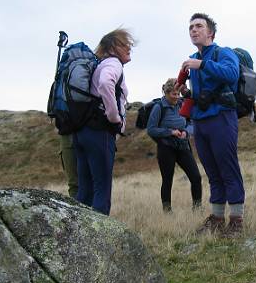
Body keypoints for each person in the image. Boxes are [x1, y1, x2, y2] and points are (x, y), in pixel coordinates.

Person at [178, 13, 245, 236]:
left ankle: (236, 219)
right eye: (190, 28)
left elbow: (232, 74)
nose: (193, 30)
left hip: (222, 117)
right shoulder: (192, 58)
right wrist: (187, 92)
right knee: (211, 170)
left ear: (210, 33)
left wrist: (202, 64)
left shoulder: (222, 53)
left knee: (228, 167)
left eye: (199, 26)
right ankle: (217, 217)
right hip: (201, 121)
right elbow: (201, 94)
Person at [73, 27, 135, 215]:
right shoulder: (113, 64)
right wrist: (114, 117)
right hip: (100, 133)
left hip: (82, 131)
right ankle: (100, 242)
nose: (129, 48)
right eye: (125, 44)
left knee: (85, 190)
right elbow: (106, 83)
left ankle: (75, 235)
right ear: (113, 47)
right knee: (102, 189)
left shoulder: (100, 64)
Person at [147, 78, 202, 212]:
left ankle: (197, 208)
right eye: (173, 94)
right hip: (166, 148)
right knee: (167, 180)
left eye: (178, 94)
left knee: (196, 177)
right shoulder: (158, 107)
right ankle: (167, 211)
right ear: (166, 93)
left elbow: (191, 123)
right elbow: (151, 129)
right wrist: (170, 132)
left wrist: (186, 133)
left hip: (183, 146)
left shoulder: (182, 104)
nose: (176, 97)